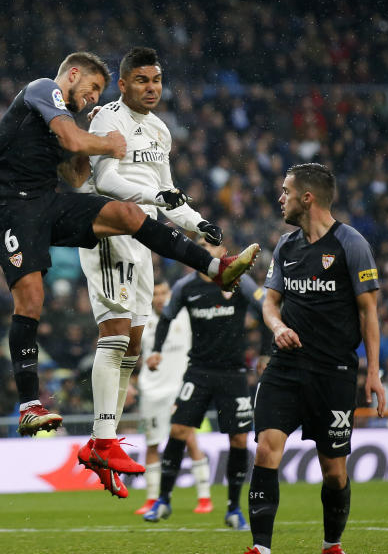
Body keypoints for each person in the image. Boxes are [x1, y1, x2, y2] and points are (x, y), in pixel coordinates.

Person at [0, 50, 260, 439]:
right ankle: (31, 406)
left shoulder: (84, 122)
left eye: (99, 91)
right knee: (31, 298)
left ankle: (215, 267)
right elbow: (71, 138)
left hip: (47, 202)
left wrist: (91, 139)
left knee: (130, 216)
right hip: (12, 209)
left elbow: (76, 176)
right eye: (93, 87)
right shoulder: (43, 89)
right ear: (73, 74)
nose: (95, 96)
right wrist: (105, 143)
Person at [74, 47, 226, 494]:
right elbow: (104, 180)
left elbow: (168, 190)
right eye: (141, 80)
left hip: (144, 237)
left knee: (134, 344)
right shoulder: (108, 119)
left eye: (156, 80)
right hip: (109, 227)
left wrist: (198, 224)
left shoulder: (160, 130)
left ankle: (107, 444)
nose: (151, 88)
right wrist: (159, 201)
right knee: (117, 333)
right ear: (123, 84)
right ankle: (101, 439)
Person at [244, 163, 385, 554]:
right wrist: (276, 328)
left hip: (334, 373)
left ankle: (331, 544)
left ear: (307, 198)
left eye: (286, 191)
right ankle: (261, 548)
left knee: (334, 471)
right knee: (266, 449)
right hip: (285, 367)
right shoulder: (286, 246)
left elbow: (368, 313)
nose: (280, 198)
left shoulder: (351, 243)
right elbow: (270, 304)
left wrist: (373, 374)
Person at [144, 237, 265, 530]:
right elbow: (167, 317)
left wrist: (265, 353)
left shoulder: (239, 281)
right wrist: (157, 349)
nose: (203, 248)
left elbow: (265, 311)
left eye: (209, 244)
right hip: (198, 370)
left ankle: (234, 508)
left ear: (222, 253)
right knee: (178, 430)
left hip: (234, 373)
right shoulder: (185, 286)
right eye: (199, 244)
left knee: (239, 439)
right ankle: (163, 500)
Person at [137, 281, 212, 515]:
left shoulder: (185, 317)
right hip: (151, 391)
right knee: (152, 443)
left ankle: (204, 498)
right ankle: (151, 499)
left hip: (180, 389)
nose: (160, 298)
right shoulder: (142, 322)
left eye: (163, 293)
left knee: (189, 439)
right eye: (155, 294)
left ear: (171, 295)